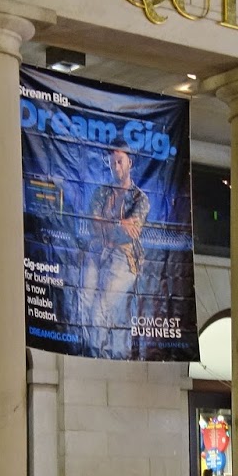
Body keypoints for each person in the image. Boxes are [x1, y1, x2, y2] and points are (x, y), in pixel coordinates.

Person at [81, 146, 149, 358]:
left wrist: (110, 224)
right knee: (83, 298)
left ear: (130, 163)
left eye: (120, 162)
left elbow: (132, 232)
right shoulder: (101, 192)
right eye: (112, 163)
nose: (115, 167)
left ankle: (95, 357)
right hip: (99, 249)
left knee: (101, 308)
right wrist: (120, 223)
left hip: (124, 256)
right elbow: (94, 223)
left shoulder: (140, 198)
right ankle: (86, 350)